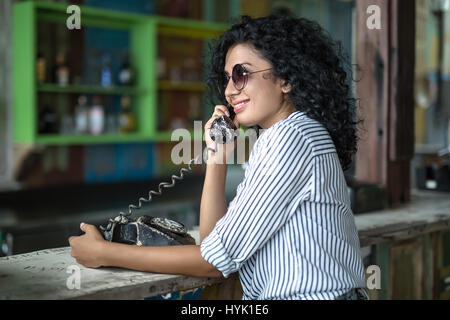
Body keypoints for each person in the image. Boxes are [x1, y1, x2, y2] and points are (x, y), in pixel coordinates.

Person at [69, 14, 369, 300]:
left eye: (241, 74)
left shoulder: (291, 139)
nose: (228, 91)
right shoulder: (285, 135)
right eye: (226, 78)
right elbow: (215, 245)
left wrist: (104, 253)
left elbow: (214, 261)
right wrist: (218, 154)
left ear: (286, 79)